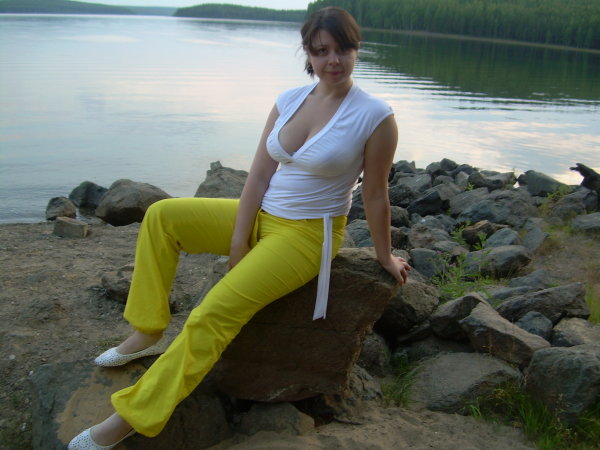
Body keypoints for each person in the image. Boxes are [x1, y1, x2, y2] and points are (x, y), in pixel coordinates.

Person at [68, 6, 411, 449]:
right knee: (162, 216)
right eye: (322, 50)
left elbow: (376, 194)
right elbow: (259, 175)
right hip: (264, 214)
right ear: (308, 53)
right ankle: (148, 330)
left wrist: (383, 255)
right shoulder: (290, 100)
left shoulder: (375, 116)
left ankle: (131, 417)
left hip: (307, 235)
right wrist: (238, 240)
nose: (333, 60)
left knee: (212, 313)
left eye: (343, 49)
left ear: (356, 49)